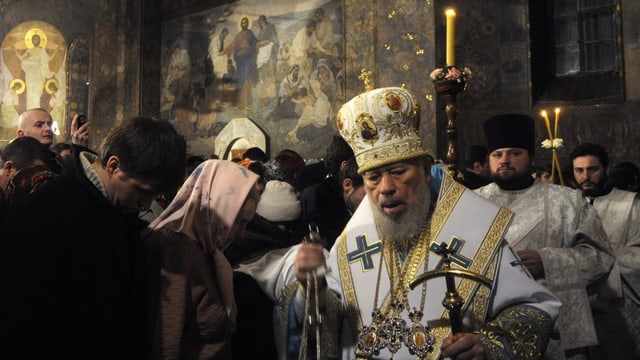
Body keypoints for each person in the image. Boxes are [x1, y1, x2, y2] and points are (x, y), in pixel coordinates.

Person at [238, 87, 560, 360]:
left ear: (423, 167)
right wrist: (312, 287)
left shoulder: (475, 232)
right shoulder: (353, 241)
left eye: (398, 172)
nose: (385, 188)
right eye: (373, 177)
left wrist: (489, 346)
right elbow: (328, 318)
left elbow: (535, 308)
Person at [0, 116, 187, 359]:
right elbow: (24, 321)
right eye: (142, 191)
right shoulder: (46, 213)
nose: (146, 204)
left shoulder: (118, 215)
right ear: (113, 166)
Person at [474, 114, 614, 360]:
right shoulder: (472, 202)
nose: (504, 160)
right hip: (489, 327)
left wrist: (547, 260)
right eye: (497, 155)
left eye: (514, 153)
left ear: (531, 157)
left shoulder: (567, 200)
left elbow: (600, 257)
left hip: (556, 328)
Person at [143, 160, 260, 360]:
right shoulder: (176, 252)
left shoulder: (206, 247)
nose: (241, 234)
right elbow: (167, 344)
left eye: (246, 224)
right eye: (238, 222)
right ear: (217, 206)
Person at [568, 142, 640, 359]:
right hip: (576, 302)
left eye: (593, 169)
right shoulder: (568, 204)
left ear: (606, 169)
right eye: (579, 170)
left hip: (618, 304)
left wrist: (599, 264)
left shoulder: (631, 204)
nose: (585, 176)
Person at [15, 33, 57, 109]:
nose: (36, 40)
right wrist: (29, 60)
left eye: (37, 39)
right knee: (30, 91)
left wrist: (56, 51)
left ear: (40, 41)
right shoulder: (29, 51)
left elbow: (46, 61)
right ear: (31, 41)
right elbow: (23, 61)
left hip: (39, 74)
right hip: (30, 74)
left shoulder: (42, 51)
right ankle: (30, 109)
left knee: (37, 92)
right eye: (34, 39)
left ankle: (36, 109)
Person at [224, 17, 258, 108]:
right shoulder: (238, 35)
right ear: (240, 24)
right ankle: (240, 102)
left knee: (246, 80)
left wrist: (247, 51)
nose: (244, 24)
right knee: (240, 81)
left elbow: (254, 43)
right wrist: (225, 52)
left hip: (247, 59)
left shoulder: (250, 33)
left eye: (245, 23)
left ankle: (247, 102)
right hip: (240, 61)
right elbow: (232, 45)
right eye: (242, 23)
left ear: (247, 24)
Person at [256, 15, 279, 107]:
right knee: (262, 78)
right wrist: (259, 44)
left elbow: (275, 42)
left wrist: (274, 59)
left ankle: (273, 97)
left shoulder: (271, 28)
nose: (261, 23)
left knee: (270, 76)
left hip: (269, 56)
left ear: (265, 20)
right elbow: (257, 43)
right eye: (259, 22)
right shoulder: (260, 31)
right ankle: (264, 98)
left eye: (262, 21)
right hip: (262, 57)